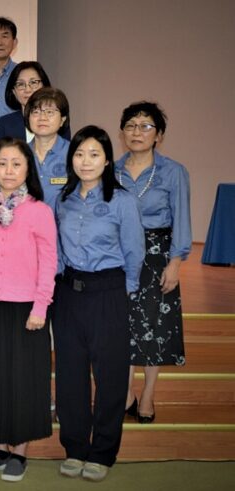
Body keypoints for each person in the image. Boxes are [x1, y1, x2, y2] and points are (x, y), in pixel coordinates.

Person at [0, 138, 57, 482]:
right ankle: (0, 447)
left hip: (26, 310)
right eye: (2, 163)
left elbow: (49, 263)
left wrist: (40, 305)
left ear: (28, 169)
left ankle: (20, 453)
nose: (9, 171)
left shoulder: (40, 212)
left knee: (24, 380)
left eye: (16, 164)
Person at [53, 125, 145, 482]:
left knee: (109, 376)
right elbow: (59, 251)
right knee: (71, 376)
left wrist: (125, 292)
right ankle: (75, 447)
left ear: (107, 159)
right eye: (79, 154)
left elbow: (134, 251)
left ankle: (103, 451)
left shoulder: (121, 201)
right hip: (70, 293)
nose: (85, 161)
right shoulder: (63, 199)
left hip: (108, 291)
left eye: (94, 154)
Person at [116, 102, 191, 424]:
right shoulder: (111, 169)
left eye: (145, 126)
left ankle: (147, 394)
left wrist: (175, 262)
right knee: (122, 327)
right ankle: (125, 393)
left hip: (158, 254)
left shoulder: (173, 172)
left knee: (155, 329)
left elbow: (182, 220)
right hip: (119, 256)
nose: (137, 132)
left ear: (158, 135)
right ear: (122, 133)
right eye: (131, 125)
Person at [0, 61, 71, 143]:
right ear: (14, 91)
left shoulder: (56, 120)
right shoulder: (4, 124)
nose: (27, 89)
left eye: (33, 82)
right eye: (20, 84)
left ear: (44, 86)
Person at [25, 87, 71, 209]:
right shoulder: (19, 154)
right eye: (36, 112)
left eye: (50, 112)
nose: (42, 118)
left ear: (62, 120)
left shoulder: (74, 154)